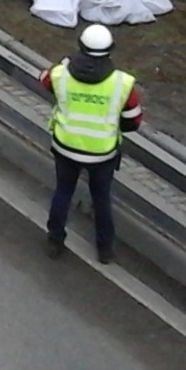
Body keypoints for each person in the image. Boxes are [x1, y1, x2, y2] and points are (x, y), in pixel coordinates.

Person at [42, 23, 143, 264]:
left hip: (65, 146)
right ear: (110, 50)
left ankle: (55, 240)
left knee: (63, 192)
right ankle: (104, 249)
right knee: (101, 199)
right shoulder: (122, 83)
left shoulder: (60, 74)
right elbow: (133, 121)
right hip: (102, 153)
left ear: (80, 46)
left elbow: (44, 80)